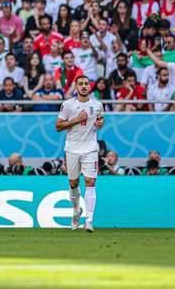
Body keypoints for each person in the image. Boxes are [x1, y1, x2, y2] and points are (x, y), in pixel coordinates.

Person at [55, 75, 104, 232]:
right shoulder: (68, 105)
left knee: (90, 182)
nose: (84, 86)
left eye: (86, 84)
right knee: (73, 184)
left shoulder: (97, 105)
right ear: (76, 87)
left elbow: (100, 120)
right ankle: (77, 211)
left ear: (90, 87)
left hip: (90, 148)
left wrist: (100, 123)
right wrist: (76, 120)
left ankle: (89, 220)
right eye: (80, 84)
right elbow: (58, 126)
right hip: (72, 148)